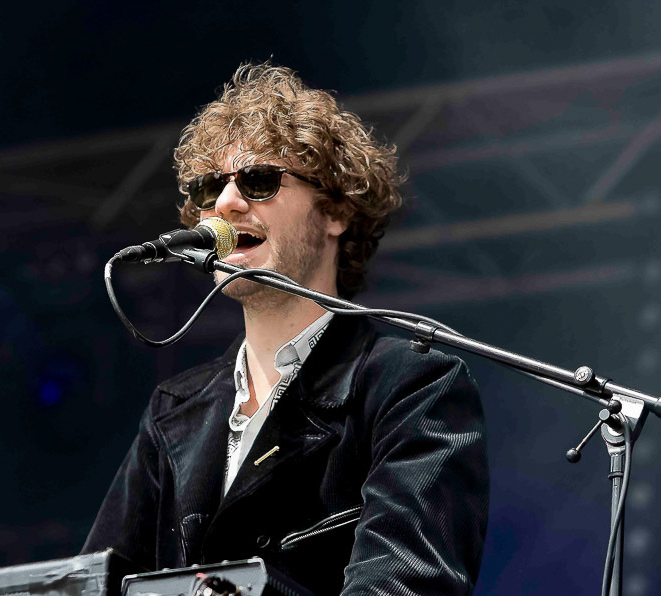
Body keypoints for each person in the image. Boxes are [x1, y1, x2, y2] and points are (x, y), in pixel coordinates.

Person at [82, 63, 489, 595]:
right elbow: (89, 585)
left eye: (259, 180)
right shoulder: (173, 411)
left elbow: (405, 585)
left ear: (336, 210)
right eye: (210, 188)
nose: (225, 204)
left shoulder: (413, 385)